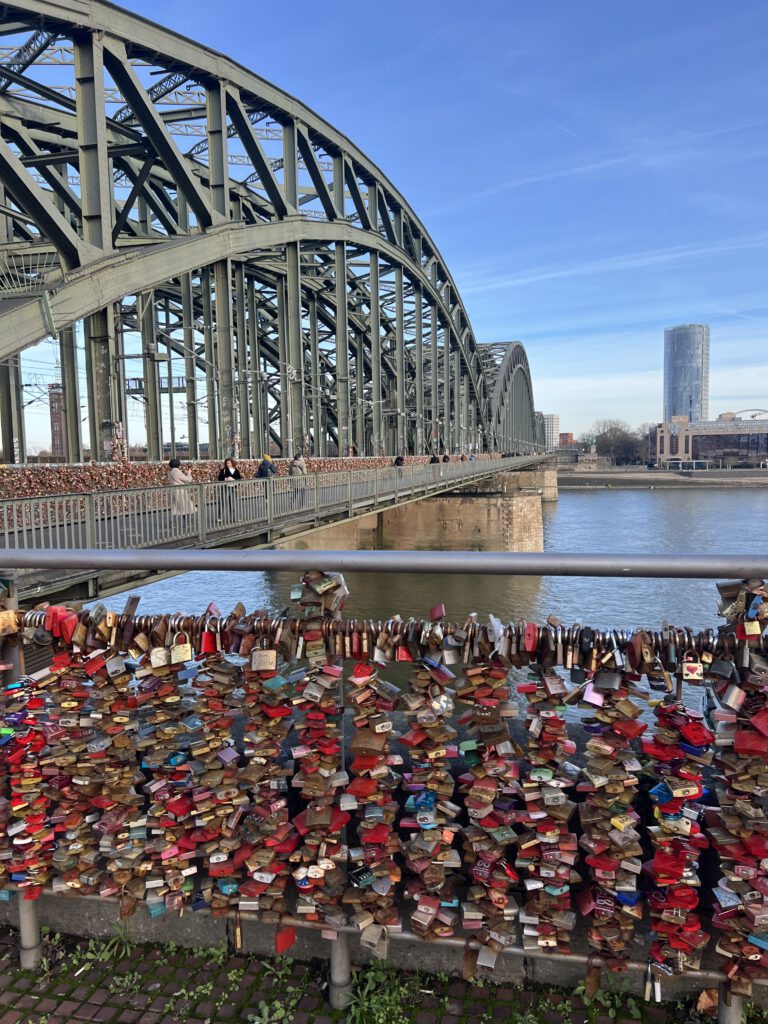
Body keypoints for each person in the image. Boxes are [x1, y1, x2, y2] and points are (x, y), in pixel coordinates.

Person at [168, 458, 195, 525]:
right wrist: (189, 473)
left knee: (176, 507)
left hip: (174, 491)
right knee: (185, 507)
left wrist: (184, 473)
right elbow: (188, 480)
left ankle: (172, 523)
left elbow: (178, 479)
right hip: (181, 491)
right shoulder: (177, 472)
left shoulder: (170, 472)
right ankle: (187, 523)